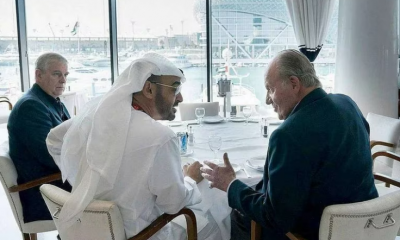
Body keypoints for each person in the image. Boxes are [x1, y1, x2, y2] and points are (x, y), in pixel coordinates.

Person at [201, 49, 378, 240]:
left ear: (294, 83)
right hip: (368, 224)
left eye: (270, 89)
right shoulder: (347, 103)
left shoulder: (288, 135)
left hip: (322, 232)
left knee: (236, 217)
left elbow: (274, 218)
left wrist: (231, 185)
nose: (268, 99)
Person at [46, 53, 222, 239]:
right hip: (142, 234)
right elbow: (173, 204)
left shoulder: (97, 116)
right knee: (216, 220)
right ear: (149, 89)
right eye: (175, 89)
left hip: (88, 232)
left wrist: (86, 182)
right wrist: (190, 179)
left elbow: (54, 140)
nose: (181, 98)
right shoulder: (161, 138)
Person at [7, 52, 72, 223]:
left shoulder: (50, 101)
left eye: (65, 75)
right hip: (44, 192)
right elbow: (50, 157)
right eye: (57, 74)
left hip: (55, 182)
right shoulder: (31, 106)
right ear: (38, 74)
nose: (63, 81)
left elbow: (73, 137)